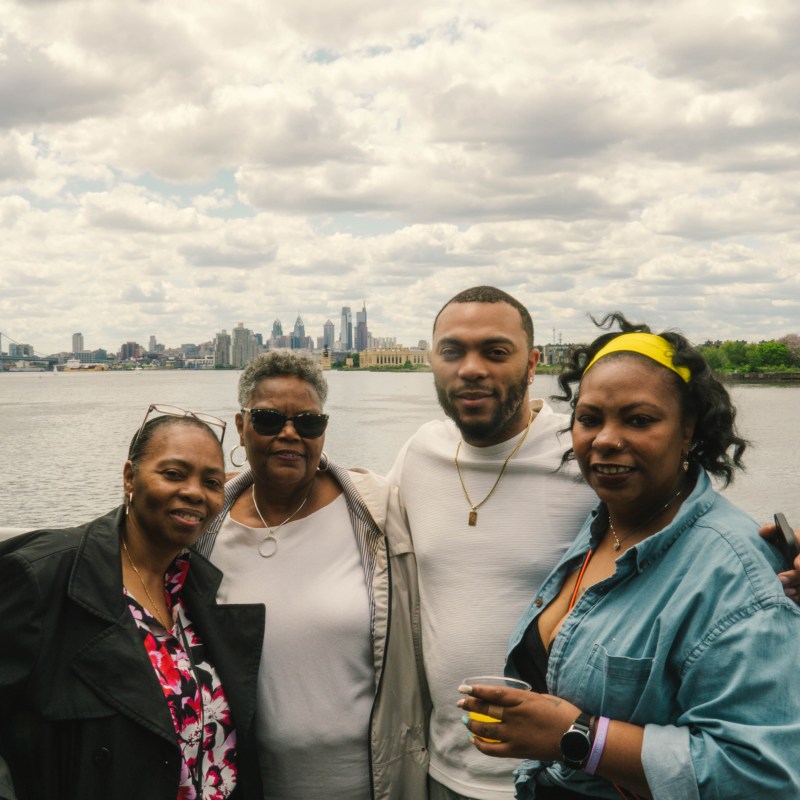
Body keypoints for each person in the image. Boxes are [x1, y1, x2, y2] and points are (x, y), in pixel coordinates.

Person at [458, 315, 800, 798]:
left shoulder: (736, 576)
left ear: (688, 431)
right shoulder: (608, 521)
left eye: (639, 420)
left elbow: (761, 775)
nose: (606, 439)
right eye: (590, 418)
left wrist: (578, 738)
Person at [387, 287, 597, 800]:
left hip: (564, 778)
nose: (471, 368)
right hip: (444, 772)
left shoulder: (586, 454)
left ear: (533, 363)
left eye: (495, 352)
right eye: (452, 351)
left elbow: (691, 536)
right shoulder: (421, 451)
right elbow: (343, 509)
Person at [194, 351, 429, 800]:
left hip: (370, 783)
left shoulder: (379, 511)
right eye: (267, 420)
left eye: (307, 422)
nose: (289, 434)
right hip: (242, 783)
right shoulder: (205, 521)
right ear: (241, 426)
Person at [0, 405, 265, 800]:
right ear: (130, 477)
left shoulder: (193, 590)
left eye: (211, 481)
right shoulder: (45, 578)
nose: (194, 491)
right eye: (173, 474)